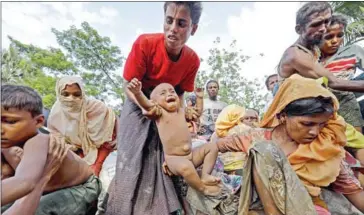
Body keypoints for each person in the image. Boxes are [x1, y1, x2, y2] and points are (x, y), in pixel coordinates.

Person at [186, 75, 364, 215]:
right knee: (264, 150)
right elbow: (213, 146)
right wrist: (179, 163)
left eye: (322, 125)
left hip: (306, 210)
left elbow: (354, 192)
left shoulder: (325, 148)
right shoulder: (257, 137)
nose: (315, 132)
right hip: (258, 207)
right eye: (307, 124)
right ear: (283, 116)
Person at [105, 2, 203, 214]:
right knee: (131, 154)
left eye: (181, 23)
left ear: (193, 28)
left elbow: (180, 93)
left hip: (167, 107)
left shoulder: (192, 60)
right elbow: (129, 85)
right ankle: (120, 207)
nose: (172, 29)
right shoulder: (145, 44)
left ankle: (163, 207)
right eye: (169, 21)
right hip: (137, 99)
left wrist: (178, 115)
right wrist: (143, 105)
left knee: (161, 157)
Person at [1, 84, 101, 215]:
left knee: (40, 209)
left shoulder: (39, 141)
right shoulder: (5, 144)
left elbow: (25, 182)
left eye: (10, 121)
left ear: (38, 122)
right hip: (46, 188)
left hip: (80, 187)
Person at [128, 79, 220, 195]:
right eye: (163, 93)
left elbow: (197, 113)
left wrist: (200, 98)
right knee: (186, 167)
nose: (169, 94)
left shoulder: (182, 111)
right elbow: (146, 106)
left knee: (212, 147)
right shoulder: (160, 113)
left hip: (191, 156)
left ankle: (206, 175)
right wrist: (138, 93)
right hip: (174, 159)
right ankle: (203, 188)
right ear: (155, 102)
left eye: (172, 91)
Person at [276, 2, 364, 95]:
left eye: (326, 21)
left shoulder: (313, 48)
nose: (323, 28)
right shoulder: (295, 55)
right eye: (316, 24)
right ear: (299, 29)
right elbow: (334, 82)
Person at [47, 76, 117, 177]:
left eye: (76, 95)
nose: (71, 99)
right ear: (59, 93)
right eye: (65, 94)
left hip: (101, 144)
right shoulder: (56, 113)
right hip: (75, 148)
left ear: (82, 94)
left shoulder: (95, 106)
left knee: (92, 175)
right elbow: (56, 137)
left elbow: (112, 117)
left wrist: (118, 139)